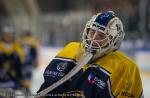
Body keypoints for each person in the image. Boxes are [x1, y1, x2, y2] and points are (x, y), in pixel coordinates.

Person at [37, 11, 144, 98]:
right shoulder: (69, 50)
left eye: (101, 36)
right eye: (92, 32)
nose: (93, 39)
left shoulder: (126, 68)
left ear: (113, 41)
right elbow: (46, 89)